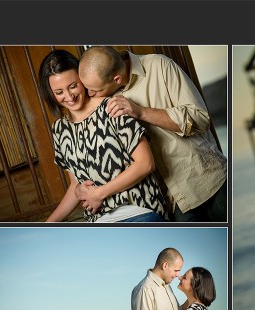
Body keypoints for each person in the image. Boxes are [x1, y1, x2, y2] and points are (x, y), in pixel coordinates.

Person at [77, 46, 227, 222]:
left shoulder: (160, 65)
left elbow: (200, 118)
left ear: (117, 79)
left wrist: (141, 112)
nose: (89, 94)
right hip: (172, 203)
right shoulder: (103, 99)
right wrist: (79, 189)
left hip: (211, 182)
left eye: (94, 90)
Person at [37, 49, 167, 223]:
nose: (69, 97)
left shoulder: (112, 106)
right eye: (59, 92)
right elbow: (76, 185)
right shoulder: (60, 129)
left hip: (137, 210)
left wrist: (99, 193)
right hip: (98, 221)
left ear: (82, 78)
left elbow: (146, 163)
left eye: (73, 85)